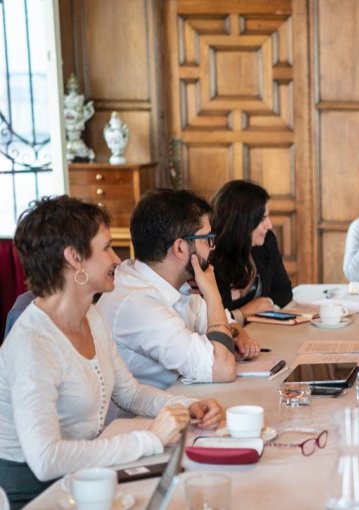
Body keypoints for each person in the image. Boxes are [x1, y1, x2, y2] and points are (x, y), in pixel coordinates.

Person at [0, 196, 223, 508]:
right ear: (74, 257)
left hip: (84, 476)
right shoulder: (33, 342)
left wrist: (190, 406)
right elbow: (46, 459)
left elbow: (129, 392)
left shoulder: (90, 316)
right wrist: (150, 439)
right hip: (37, 494)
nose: (117, 259)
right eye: (105, 247)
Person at [97, 189, 260, 390]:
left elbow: (221, 322)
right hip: (144, 418)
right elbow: (222, 368)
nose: (213, 247)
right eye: (207, 238)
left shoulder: (171, 282)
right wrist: (213, 296)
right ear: (180, 248)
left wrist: (235, 330)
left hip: (179, 402)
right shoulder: (136, 304)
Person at [210, 180, 293, 325]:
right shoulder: (209, 256)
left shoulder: (266, 241)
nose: (270, 225)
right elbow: (205, 323)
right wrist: (243, 313)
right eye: (262, 219)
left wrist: (266, 302)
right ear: (241, 223)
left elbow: (284, 291)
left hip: (261, 331)